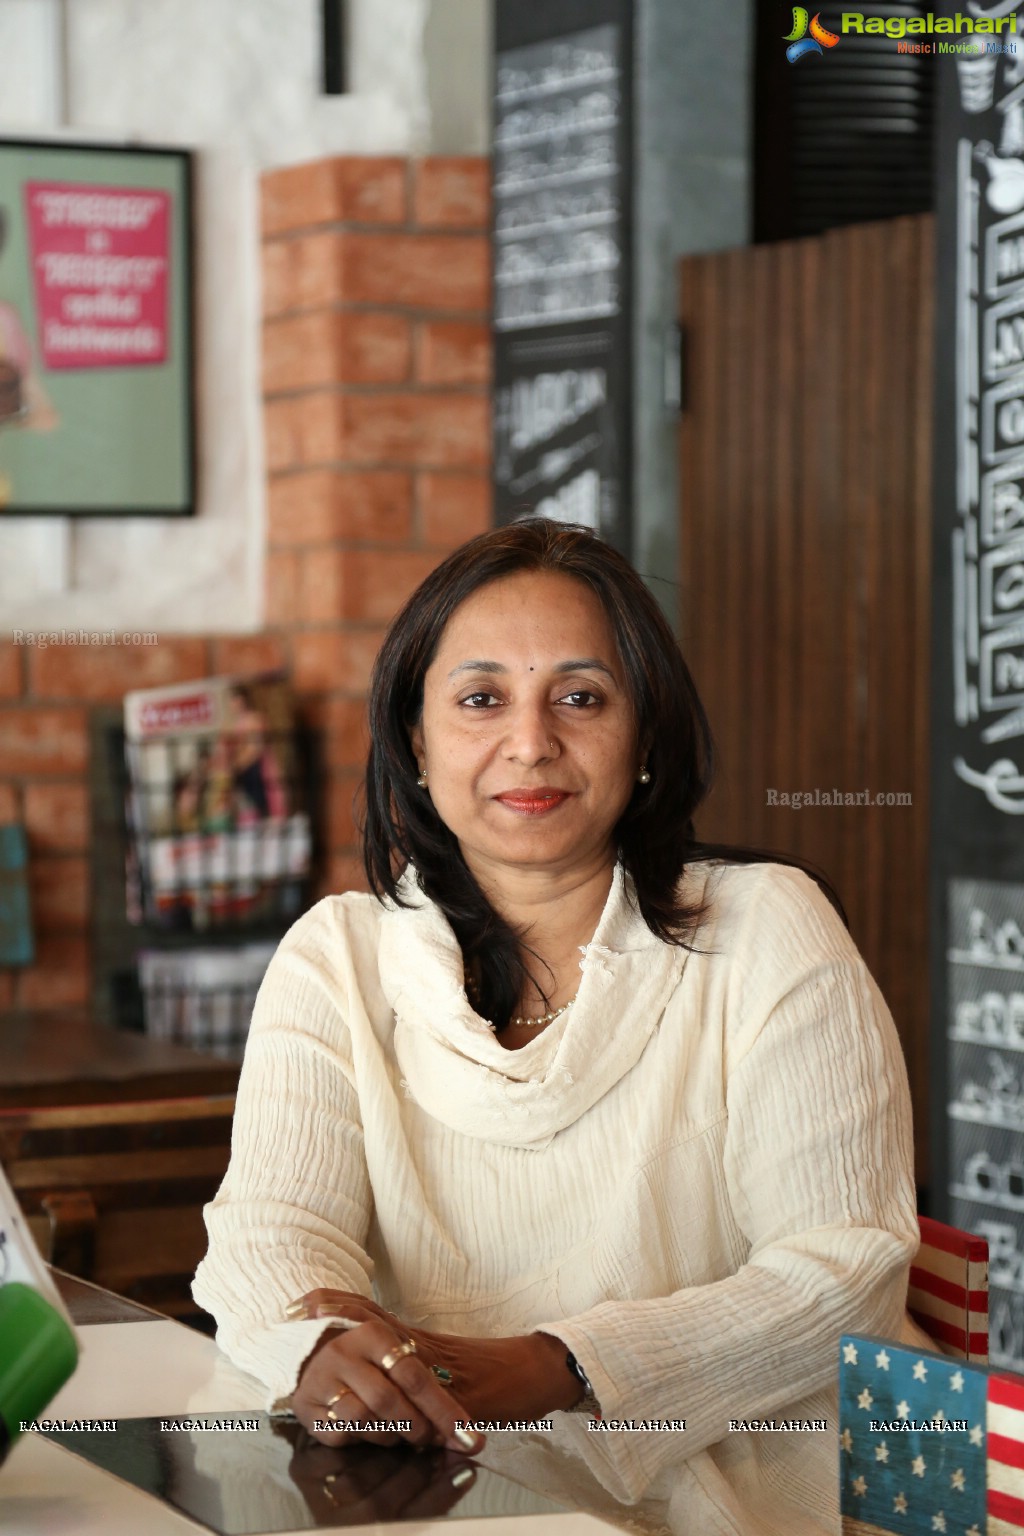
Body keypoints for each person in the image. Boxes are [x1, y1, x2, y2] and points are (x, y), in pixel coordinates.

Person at [193, 518, 917, 1531]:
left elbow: (848, 1273)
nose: (530, 742)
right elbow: (269, 1231)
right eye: (480, 698)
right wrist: (322, 1354)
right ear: (416, 736)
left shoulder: (766, 929)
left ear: (646, 736)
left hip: (739, 1492)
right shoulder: (338, 957)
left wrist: (555, 1367)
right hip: (431, 1486)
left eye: (579, 697)